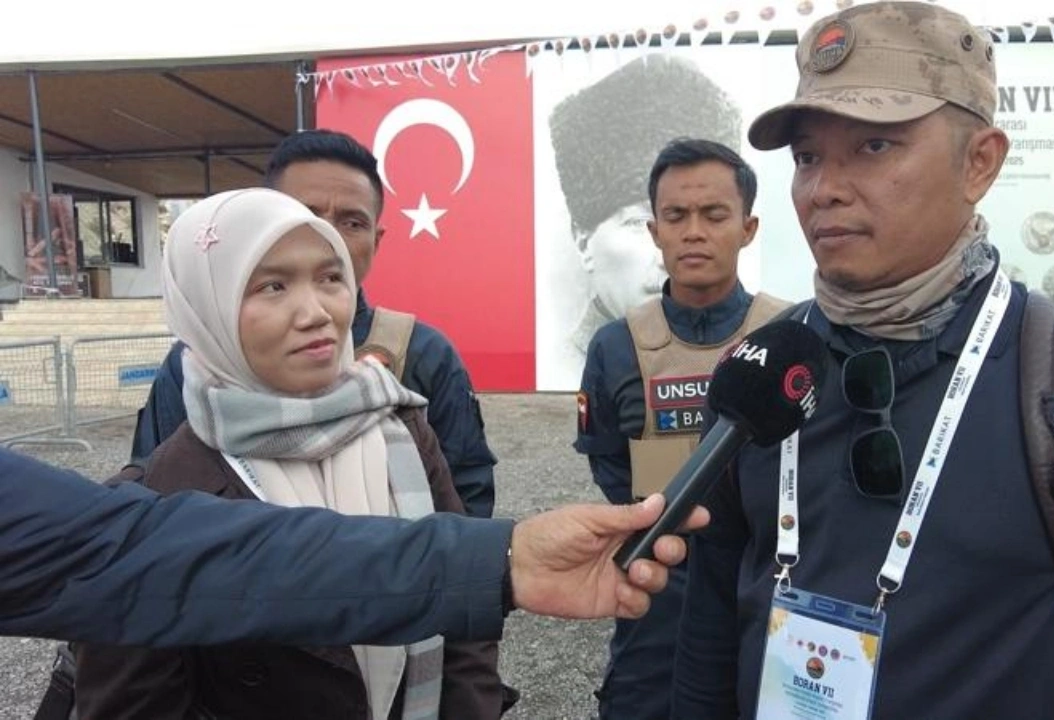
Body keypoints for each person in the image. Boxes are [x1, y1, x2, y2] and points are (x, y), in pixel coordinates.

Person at [672, 4, 1054, 719]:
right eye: (807, 157)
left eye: (875, 147)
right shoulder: (761, 375)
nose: (824, 187)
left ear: (980, 162)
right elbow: (703, 637)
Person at [74, 188, 485, 720]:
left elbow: (462, 602)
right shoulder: (153, 501)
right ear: (207, 308)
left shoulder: (401, 428)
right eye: (272, 285)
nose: (315, 312)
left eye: (330, 277)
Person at [131, 129, 498, 519]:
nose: (326, 235)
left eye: (353, 222)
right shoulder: (194, 371)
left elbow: (466, 506)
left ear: (377, 239)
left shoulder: (423, 360)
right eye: (301, 215)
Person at [0, 446, 699, 646]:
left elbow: (148, 554)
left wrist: (506, 559)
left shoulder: (400, 416)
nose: (312, 309)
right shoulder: (181, 444)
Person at [574, 138, 788, 719]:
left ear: (747, 227)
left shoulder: (791, 336)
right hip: (659, 593)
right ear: (655, 231)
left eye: (714, 215)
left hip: (765, 592)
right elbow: (610, 464)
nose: (694, 231)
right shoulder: (615, 346)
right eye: (676, 216)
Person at [549, 55, 743, 368]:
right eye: (641, 222)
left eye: (712, 216)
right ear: (584, 241)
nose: (671, 249)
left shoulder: (755, 347)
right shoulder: (584, 360)